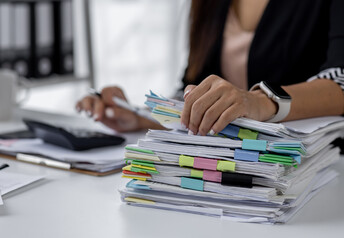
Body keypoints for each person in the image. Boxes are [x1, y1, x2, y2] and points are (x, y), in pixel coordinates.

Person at [76, 0, 344, 136]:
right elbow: (194, 86)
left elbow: (340, 78)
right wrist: (141, 117)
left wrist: (257, 102)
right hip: (238, 174)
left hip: (319, 173)